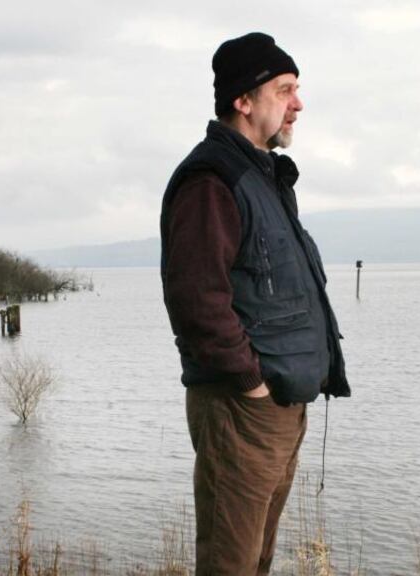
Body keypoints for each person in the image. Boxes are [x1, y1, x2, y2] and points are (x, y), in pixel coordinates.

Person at [159, 32, 350, 575]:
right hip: (242, 408)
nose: (298, 104)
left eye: (297, 89)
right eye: (285, 89)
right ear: (243, 100)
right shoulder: (213, 180)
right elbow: (197, 299)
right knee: (230, 564)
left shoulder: (265, 177)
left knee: (256, 561)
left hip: (278, 409)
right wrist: (252, 385)